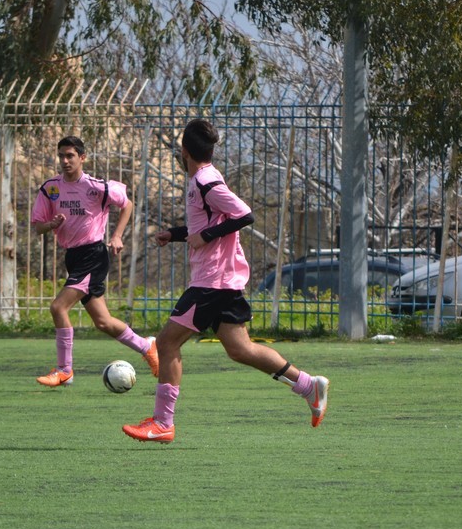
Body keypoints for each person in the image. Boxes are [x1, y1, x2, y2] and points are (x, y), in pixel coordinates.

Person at [122, 118, 329, 443]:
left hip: (212, 281)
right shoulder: (202, 179)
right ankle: (308, 386)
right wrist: (175, 234)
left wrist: (204, 236)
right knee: (240, 349)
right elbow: (207, 224)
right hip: (221, 280)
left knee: (166, 343)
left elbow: (245, 214)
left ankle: (163, 423)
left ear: (184, 150)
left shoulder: (205, 181)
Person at [31, 135, 158, 387]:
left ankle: (64, 370)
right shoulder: (50, 188)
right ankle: (147, 347)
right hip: (73, 257)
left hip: (93, 255)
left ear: (82, 158)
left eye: (70, 156)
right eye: (61, 156)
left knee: (58, 307)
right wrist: (51, 224)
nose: (65, 161)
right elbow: (38, 227)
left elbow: (127, 204)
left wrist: (117, 235)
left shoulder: (96, 187)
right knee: (103, 322)